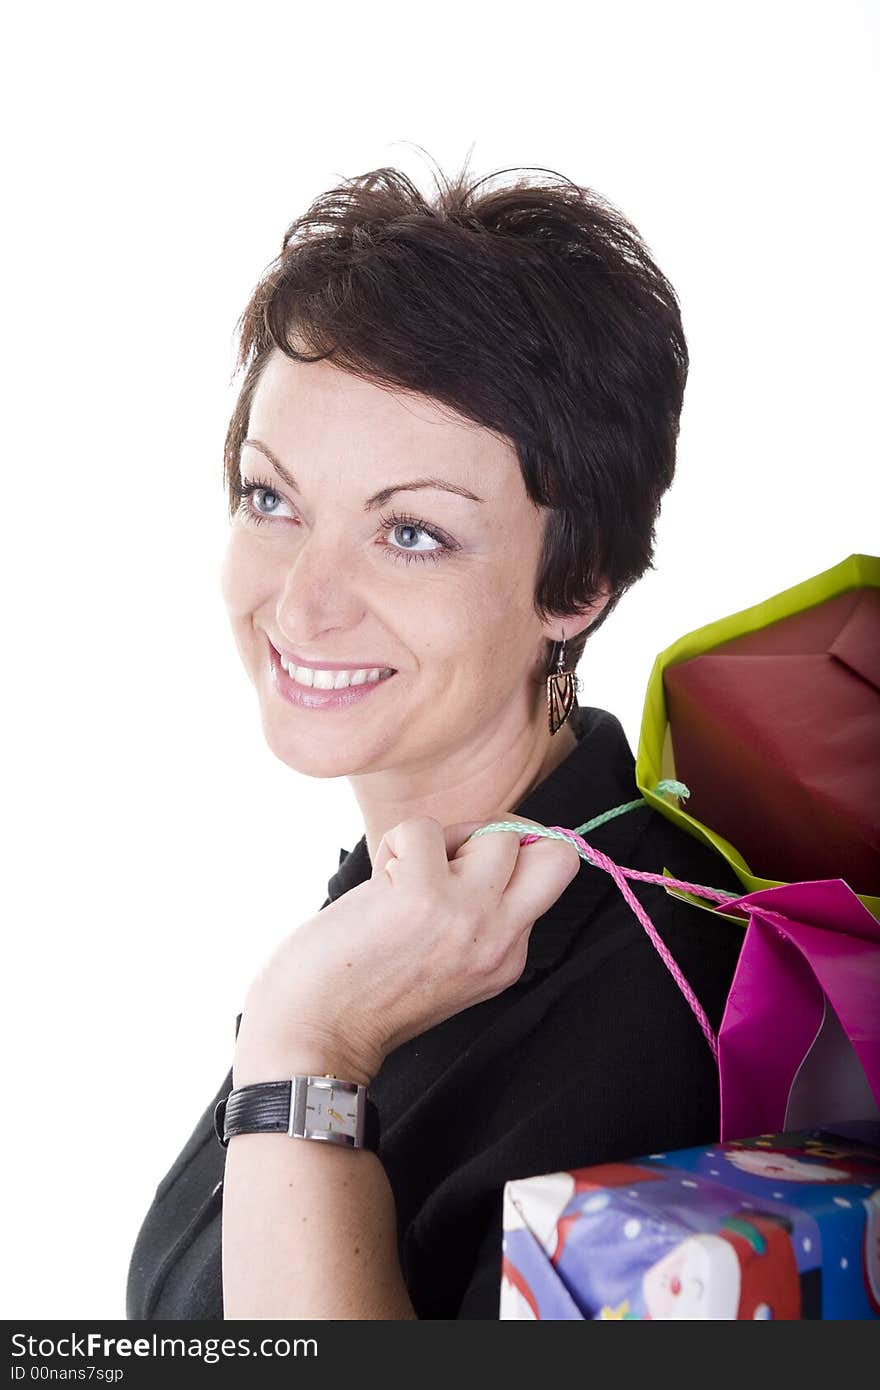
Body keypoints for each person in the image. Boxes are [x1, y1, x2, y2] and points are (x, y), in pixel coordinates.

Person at [126, 158, 747, 1321]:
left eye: (410, 532)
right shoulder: (401, 903)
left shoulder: (659, 1009)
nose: (303, 605)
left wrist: (308, 1050)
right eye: (273, 499)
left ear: (579, 584)